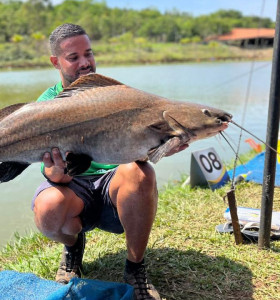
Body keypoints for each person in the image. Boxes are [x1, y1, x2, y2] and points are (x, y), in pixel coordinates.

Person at [32, 23, 187, 300]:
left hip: (115, 185)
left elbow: (141, 145)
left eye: (88, 54)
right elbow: (51, 170)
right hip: (74, 187)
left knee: (141, 173)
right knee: (48, 208)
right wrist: (56, 173)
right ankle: (73, 247)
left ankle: (135, 267)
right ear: (55, 62)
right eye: (74, 57)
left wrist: (160, 148)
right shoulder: (46, 104)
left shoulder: (118, 95)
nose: (85, 63)